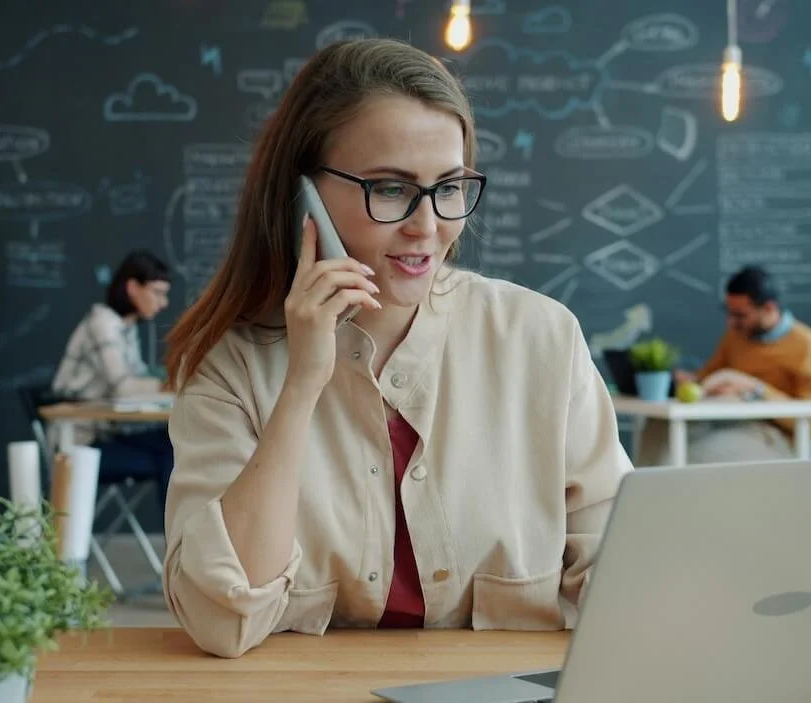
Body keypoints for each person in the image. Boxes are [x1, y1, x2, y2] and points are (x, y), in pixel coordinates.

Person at [161, 38, 633, 659]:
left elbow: (622, 573)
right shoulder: (232, 365)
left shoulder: (539, 337)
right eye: (389, 188)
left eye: (450, 186)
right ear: (304, 193)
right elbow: (221, 617)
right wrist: (302, 383)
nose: (428, 226)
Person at [635, 265, 811, 467]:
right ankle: (642, 494)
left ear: (769, 309)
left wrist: (755, 389)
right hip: (726, 422)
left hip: (773, 437)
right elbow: (708, 377)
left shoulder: (809, 347)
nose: (731, 323)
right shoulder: (736, 337)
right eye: (729, 313)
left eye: (740, 315)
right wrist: (691, 380)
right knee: (659, 427)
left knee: (691, 451)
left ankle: (664, 493)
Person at [51, 249, 175, 508]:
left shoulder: (125, 328)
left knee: (177, 442)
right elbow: (125, 388)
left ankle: (181, 541)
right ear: (132, 287)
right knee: (172, 454)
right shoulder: (103, 325)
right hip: (80, 444)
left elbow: (138, 379)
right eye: (158, 292)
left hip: (105, 435)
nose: (163, 303)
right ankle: (179, 543)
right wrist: (174, 385)